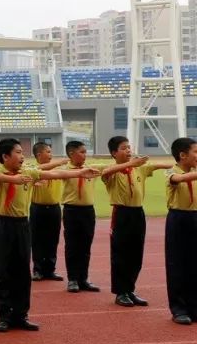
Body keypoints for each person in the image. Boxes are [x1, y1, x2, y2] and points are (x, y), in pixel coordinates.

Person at [0, 139, 98, 333]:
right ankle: (4, 315)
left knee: (22, 271)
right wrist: (14, 180)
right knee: (2, 271)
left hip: (22, 224)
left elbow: (55, 174)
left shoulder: (29, 172)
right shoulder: (0, 173)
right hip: (4, 225)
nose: (22, 156)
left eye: (23, 153)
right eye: (18, 153)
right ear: (5, 157)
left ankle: (21, 314)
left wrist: (79, 172)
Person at [101, 136, 171, 307]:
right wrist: (131, 164)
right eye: (124, 148)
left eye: (129, 147)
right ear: (114, 153)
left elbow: (162, 165)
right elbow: (105, 174)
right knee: (120, 254)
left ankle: (130, 289)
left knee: (135, 254)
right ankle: (120, 292)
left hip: (137, 213)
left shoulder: (140, 169)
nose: (128, 150)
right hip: (122, 213)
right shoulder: (113, 170)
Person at [60, 140, 101, 293]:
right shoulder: (65, 170)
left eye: (86, 152)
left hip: (88, 211)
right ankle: (72, 279)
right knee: (72, 245)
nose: (85, 155)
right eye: (82, 152)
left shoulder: (91, 169)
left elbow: (110, 168)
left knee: (85, 246)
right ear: (71, 154)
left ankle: (83, 278)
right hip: (71, 211)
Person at [164, 138, 197, 325]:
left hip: (195, 217)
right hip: (178, 219)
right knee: (177, 263)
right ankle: (179, 308)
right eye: (195, 152)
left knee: (194, 264)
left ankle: (194, 306)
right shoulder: (172, 172)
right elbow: (179, 179)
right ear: (182, 155)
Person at [29, 142, 68, 282]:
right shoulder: (32, 169)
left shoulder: (58, 169)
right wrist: (59, 162)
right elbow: (39, 169)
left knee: (52, 239)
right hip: (38, 208)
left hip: (54, 208)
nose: (51, 155)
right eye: (48, 152)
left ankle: (50, 269)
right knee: (37, 239)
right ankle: (38, 269)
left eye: (51, 152)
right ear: (39, 154)